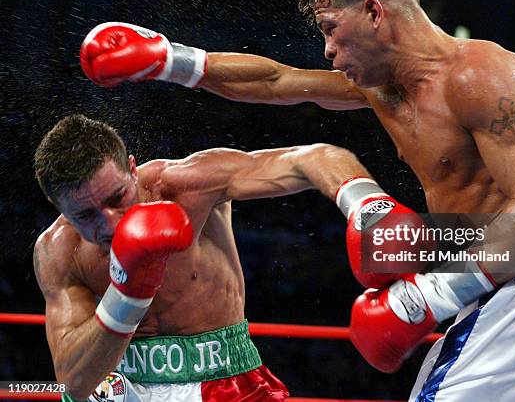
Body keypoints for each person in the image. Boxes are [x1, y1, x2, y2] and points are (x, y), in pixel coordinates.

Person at [78, 0, 515, 400]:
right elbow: (276, 82)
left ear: (375, 13)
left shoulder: (485, 75)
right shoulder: (388, 91)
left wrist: (430, 294)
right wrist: (169, 60)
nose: (329, 51)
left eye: (333, 29)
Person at [33, 114, 399, 401]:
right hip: (120, 389)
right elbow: (73, 381)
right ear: (57, 206)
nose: (109, 223)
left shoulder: (187, 185)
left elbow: (315, 157)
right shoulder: (58, 250)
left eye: (117, 198)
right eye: (84, 215)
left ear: (132, 168)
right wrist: (129, 291)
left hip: (224, 381)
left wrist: (368, 209)